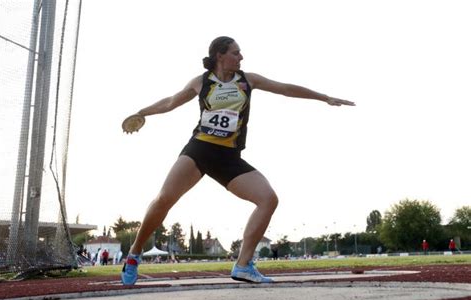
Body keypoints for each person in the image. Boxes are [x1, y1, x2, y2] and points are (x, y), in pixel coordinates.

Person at [120, 36, 355, 285]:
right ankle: (134, 254)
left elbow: (285, 88)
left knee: (268, 199)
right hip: (199, 150)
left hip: (228, 157)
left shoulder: (248, 80)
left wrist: (324, 97)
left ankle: (243, 265)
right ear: (220, 55)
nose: (241, 57)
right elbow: (170, 101)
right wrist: (142, 112)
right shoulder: (201, 82)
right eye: (236, 52)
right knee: (164, 199)